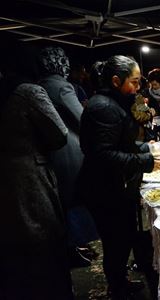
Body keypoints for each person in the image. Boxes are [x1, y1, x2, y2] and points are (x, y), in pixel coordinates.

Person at [77, 55, 155, 300]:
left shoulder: (115, 101)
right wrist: (145, 160)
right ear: (115, 80)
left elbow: (120, 142)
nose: (138, 86)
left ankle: (119, 282)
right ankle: (118, 289)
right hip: (104, 189)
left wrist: (142, 148)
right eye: (133, 81)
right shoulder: (104, 107)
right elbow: (103, 155)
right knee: (115, 242)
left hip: (114, 186)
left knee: (122, 239)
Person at [0, 49, 73, 299]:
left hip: (6, 181)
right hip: (30, 179)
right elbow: (59, 133)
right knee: (45, 245)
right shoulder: (28, 91)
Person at [38, 46, 98, 267]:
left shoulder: (41, 85)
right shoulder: (62, 86)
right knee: (74, 200)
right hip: (70, 150)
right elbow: (83, 119)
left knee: (62, 202)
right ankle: (76, 246)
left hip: (52, 151)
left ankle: (74, 247)